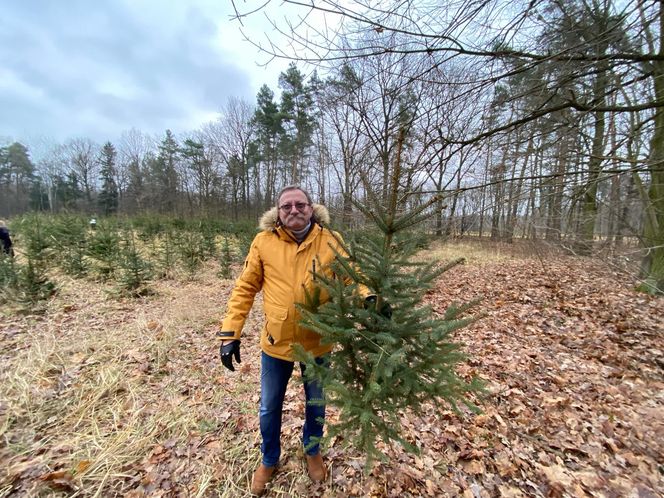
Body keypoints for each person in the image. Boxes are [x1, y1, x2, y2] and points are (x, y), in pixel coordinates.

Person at [218, 185, 345, 495]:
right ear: (278, 211)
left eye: (300, 205)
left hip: (318, 341)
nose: (293, 210)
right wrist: (230, 333)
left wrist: (370, 298)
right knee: (269, 406)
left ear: (311, 208)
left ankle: (312, 451)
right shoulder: (264, 242)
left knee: (316, 404)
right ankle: (269, 458)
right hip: (276, 343)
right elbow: (245, 288)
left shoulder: (331, 241)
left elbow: (351, 276)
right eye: (286, 206)